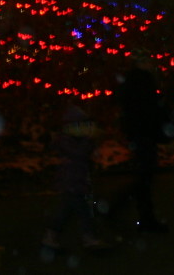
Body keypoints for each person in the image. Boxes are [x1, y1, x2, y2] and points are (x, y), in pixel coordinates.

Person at [103, 57, 171, 233]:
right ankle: (136, 214)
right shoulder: (143, 82)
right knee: (144, 177)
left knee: (144, 176)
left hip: (139, 132)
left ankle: (128, 211)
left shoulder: (131, 83)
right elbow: (148, 109)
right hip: (144, 132)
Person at [41, 104, 108, 253]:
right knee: (80, 211)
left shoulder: (71, 140)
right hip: (72, 182)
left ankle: (52, 237)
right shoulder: (67, 141)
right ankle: (88, 238)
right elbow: (79, 155)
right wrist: (88, 140)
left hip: (75, 181)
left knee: (68, 210)